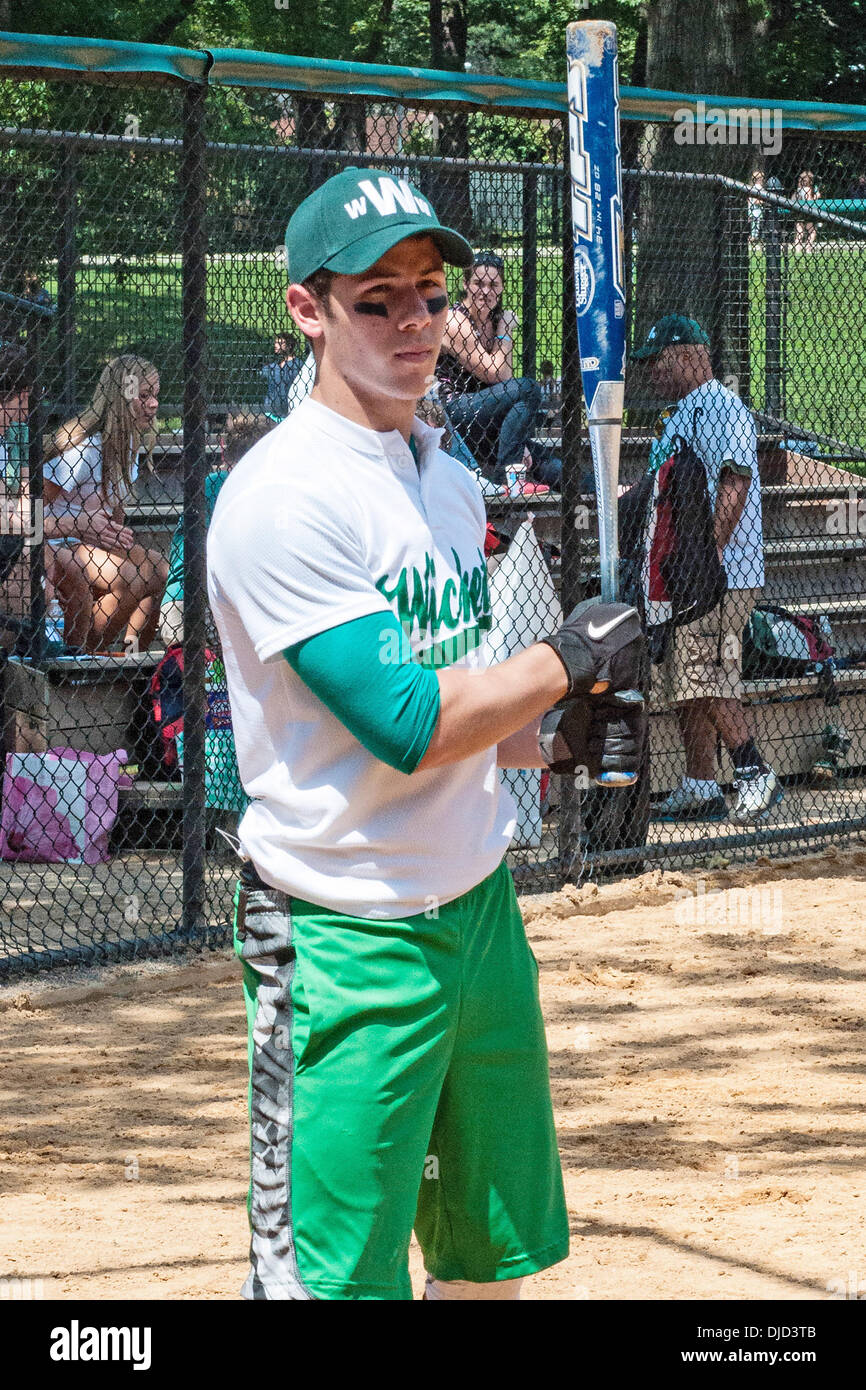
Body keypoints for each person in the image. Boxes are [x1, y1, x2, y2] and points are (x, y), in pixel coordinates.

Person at [207, 166, 646, 1301]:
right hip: (340, 930)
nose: (413, 322)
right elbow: (403, 722)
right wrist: (569, 658)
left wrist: (552, 740)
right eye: (376, 298)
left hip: (476, 907)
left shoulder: (445, 479)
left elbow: (461, 697)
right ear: (307, 309)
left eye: (429, 291)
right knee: (330, 1282)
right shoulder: (281, 496)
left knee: (484, 1256)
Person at [631, 314, 781, 825]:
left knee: (705, 674)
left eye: (657, 362)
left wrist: (708, 560)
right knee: (685, 681)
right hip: (686, 577)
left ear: (688, 354)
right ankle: (700, 783)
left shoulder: (718, 404)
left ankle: (754, 771)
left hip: (719, 576)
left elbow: (734, 480)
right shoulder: (682, 412)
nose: (651, 373)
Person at [42, 355, 169, 653]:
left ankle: (131, 654)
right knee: (131, 577)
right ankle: (84, 651)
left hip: (93, 541)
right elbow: (32, 513)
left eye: (156, 396)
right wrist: (81, 525)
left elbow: (116, 513)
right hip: (61, 540)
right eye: (144, 395)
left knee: (161, 570)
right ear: (121, 397)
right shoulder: (83, 449)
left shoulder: (128, 444)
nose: (153, 404)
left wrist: (114, 534)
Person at [160, 413, 275, 648]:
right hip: (199, 604)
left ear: (224, 451)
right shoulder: (250, 487)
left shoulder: (212, 482)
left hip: (179, 603)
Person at [435, 250, 548, 490]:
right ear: (466, 284)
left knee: (545, 459)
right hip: (454, 412)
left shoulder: (493, 322)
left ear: (502, 288)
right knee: (528, 388)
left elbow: (501, 385)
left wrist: (518, 443)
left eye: (493, 285)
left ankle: (609, 493)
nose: (485, 292)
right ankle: (504, 478)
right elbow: (497, 374)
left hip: (483, 418)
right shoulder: (455, 320)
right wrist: (505, 331)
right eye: (478, 283)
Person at [260, 331, 303, 421]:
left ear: (289, 346)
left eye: (280, 343)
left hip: (290, 413)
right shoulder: (273, 365)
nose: (276, 345)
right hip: (270, 413)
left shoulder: (299, 365)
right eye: (275, 342)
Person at [792, 169, 821, 251]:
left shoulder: (798, 190)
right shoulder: (808, 189)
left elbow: (794, 199)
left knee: (799, 231)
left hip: (799, 211)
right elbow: (809, 200)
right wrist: (816, 196)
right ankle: (808, 247)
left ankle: (797, 248)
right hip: (808, 212)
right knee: (812, 231)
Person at [747, 169, 766, 243]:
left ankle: (753, 239)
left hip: (753, 211)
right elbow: (756, 201)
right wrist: (763, 201)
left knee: (754, 227)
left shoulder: (752, 188)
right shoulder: (759, 188)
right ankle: (752, 239)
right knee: (755, 228)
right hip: (756, 211)